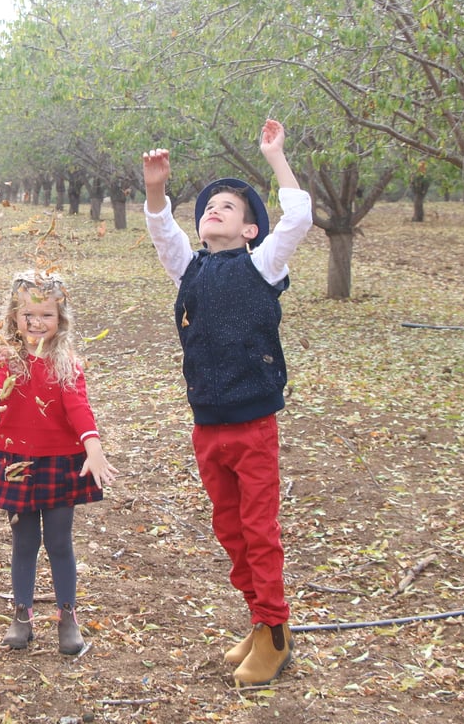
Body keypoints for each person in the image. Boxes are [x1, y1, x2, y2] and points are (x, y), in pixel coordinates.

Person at [141, 119, 312, 686]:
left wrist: (276, 157)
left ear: (250, 231)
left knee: (259, 531)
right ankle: (260, 623)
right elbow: (164, 233)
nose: (215, 208)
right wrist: (157, 191)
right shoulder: (190, 268)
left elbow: (300, 218)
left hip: (252, 424)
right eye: (210, 204)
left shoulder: (263, 265)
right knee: (230, 529)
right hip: (207, 426)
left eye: (229, 207)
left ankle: (278, 632)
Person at [0, 270, 117, 655]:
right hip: (14, 459)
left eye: (46, 315)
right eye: (28, 315)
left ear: (61, 319)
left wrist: (93, 446)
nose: (37, 323)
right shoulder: (5, 355)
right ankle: (22, 616)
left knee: (58, 540)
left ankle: (67, 616)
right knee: (24, 540)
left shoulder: (65, 361)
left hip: (59, 461)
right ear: (13, 316)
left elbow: (77, 407)